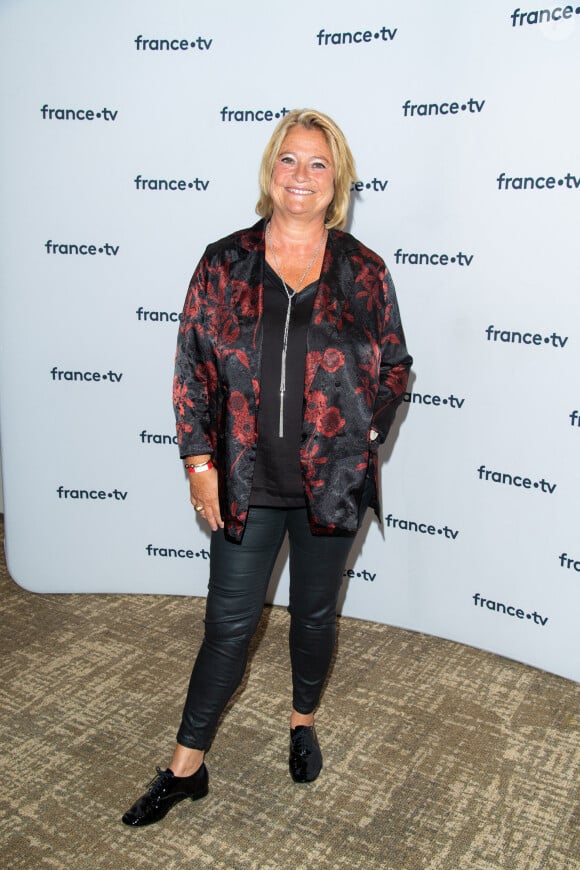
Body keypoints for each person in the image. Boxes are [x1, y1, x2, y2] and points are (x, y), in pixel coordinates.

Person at [122, 109, 412, 827]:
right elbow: (191, 367)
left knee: (314, 617)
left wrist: (362, 434)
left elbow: (397, 366)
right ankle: (185, 766)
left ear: (337, 177)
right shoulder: (225, 262)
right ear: (270, 170)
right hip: (244, 483)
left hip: (330, 487)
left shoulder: (365, 270)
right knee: (227, 624)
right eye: (289, 160)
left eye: (318, 164)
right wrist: (198, 463)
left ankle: (301, 720)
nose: (302, 176)